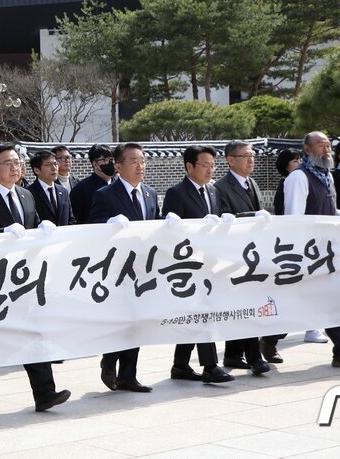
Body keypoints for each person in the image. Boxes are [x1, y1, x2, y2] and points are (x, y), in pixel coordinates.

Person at [0, 143, 72, 413]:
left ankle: (45, 392)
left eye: (18, 162)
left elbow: (30, 231)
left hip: (25, 279)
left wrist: (43, 230)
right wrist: (2, 231)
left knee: (34, 331)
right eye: (8, 163)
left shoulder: (26, 196)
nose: (15, 167)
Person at [284, 131, 340, 369]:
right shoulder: (299, 178)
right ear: (307, 150)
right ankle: (269, 339)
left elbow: (326, 210)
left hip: (329, 251)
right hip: (309, 252)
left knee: (337, 297)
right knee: (291, 300)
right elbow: (294, 217)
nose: (326, 150)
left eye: (328, 146)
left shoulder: (325, 176)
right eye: (321, 146)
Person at [161, 145, 237, 383]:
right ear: (189, 166)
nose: (210, 170)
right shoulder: (177, 193)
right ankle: (210, 366)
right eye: (205, 165)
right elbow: (170, 233)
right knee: (203, 314)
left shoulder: (213, 191)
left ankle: (180, 365)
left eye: (213, 165)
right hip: (187, 267)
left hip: (209, 264)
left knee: (197, 315)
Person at [87, 142, 159, 392]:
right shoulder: (105, 195)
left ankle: (129, 375)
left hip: (142, 270)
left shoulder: (150, 193)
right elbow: (92, 228)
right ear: (118, 166)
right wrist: (110, 222)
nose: (140, 166)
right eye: (134, 161)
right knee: (119, 321)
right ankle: (109, 360)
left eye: (142, 160)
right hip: (116, 270)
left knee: (137, 322)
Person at [215, 141, 271, 373]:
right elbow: (223, 218)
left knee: (246, 306)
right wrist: (252, 215)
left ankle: (233, 354)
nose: (251, 160)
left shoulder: (253, 183)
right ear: (230, 160)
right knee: (245, 307)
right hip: (234, 257)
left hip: (253, 255)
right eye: (245, 156)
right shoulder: (220, 187)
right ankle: (254, 357)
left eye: (252, 155)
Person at [260, 147, 302, 362]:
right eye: (294, 161)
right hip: (288, 251)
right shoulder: (286, 186)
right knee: (286, 302)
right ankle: (269, 340)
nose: (299, 164)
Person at [69, 143, 116, 223]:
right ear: (95, 164)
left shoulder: (119, 185)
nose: (110, 163)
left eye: (111, 159)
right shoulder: (81, 189)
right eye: (105, 160)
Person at [27, 149, 74, 227]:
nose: (54, 168)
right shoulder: (29, 194)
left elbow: (71, 220)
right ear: (37, 170)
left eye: (55, 164)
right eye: (48, 165)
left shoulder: (63, 191)